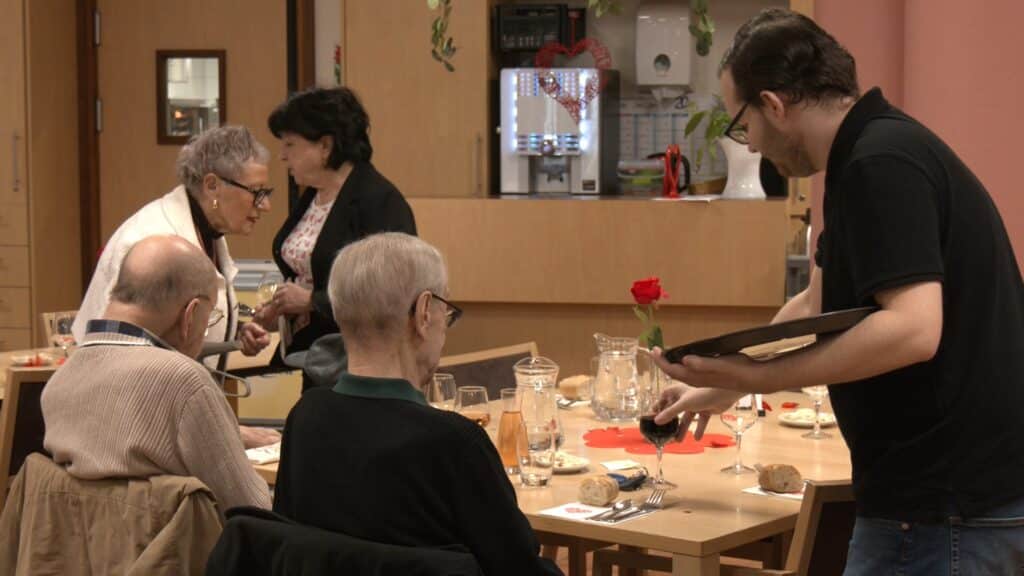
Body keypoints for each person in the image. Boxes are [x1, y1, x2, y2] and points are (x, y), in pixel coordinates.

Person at [650, 9, 1024, 575]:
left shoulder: (881, 164)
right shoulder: (867, 153)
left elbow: (913, 330)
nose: (748, 144)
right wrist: (724, 383)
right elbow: (817, 305)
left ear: (774, 105)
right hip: (950, 497)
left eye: (741, 124)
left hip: (943, 505)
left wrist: (758, 378)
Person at [273, 232, 561, 576]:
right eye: (446, 309)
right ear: (424, 312)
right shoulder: (454, 443)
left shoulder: (305, 418)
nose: (445, 325)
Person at [73, 125, 278, 448]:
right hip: (128, 427)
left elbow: (172, 330)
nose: (264, 206)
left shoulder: (204, 231)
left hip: (171, 420)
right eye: (256, 192)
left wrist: (231, 331)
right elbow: (129, 362)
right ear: (212, 185)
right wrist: (228, 433)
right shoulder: (152, 242)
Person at [42, 236, 271, 514]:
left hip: (85, 555)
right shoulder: (185, 382)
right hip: (178, 556)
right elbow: (252, 509)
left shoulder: (58, 382)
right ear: (191, 314)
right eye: (210, 317)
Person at [258, 87, 416, 388]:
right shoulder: (314, 195)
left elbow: (391, 289)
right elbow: (307, 271)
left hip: (361, 363)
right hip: (317, 356)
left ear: (325, 146)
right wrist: (278, 310)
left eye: (290, 144)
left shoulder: (378, 200)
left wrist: (312, 301)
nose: (282, 156)